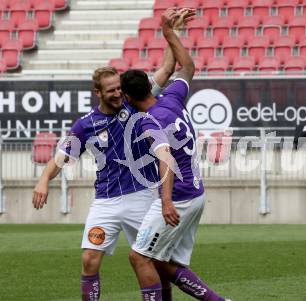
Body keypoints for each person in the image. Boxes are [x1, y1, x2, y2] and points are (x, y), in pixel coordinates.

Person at [31, 9, 195, 301]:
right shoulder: (85, 124)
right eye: (111, 91)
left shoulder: (133, 105)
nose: (118, 94)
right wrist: (44, 181)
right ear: (98, 92)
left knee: (156, 262)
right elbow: (61, 155)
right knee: (89, 260)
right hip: (105, 200)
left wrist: (172, 33)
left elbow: (167, 69)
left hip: (142, 196)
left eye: (119, 88)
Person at [121, 9, 230, 301]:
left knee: (139, 257)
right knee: (164, 262)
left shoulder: (147, 121)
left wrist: (167, 201)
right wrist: (171, 33)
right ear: (149, 83)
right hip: (195, 192)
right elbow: (187, 67)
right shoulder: (172, 97)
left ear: (128, 98)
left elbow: (165, 157)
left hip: (177, 197)